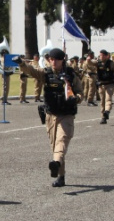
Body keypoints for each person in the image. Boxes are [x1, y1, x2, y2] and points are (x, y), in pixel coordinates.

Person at [15, 48, 83, 187]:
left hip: (66, 115)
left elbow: (81, 93)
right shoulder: (46, 73)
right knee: (54, 146)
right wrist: (21, 64)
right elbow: (32, 71)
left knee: (61, 141)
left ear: (62, 60)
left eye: (56, 59)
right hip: (51, 115)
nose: (53, 62)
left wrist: (75, 99)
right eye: (51, 59)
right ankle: (60, 175)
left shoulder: (70, 75)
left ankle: (56, 164)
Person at [95, 49, 114, 124]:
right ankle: (103, 117)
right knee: (102, 102)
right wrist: (88, 60)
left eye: (103, 55)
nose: (101, 57)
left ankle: (107, 111)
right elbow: (90, 64)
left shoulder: (111, 64)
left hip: (109, 84)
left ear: (107, 56)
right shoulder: (97, 63)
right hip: (101, 85)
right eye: (100, 55)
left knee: (108, 99)